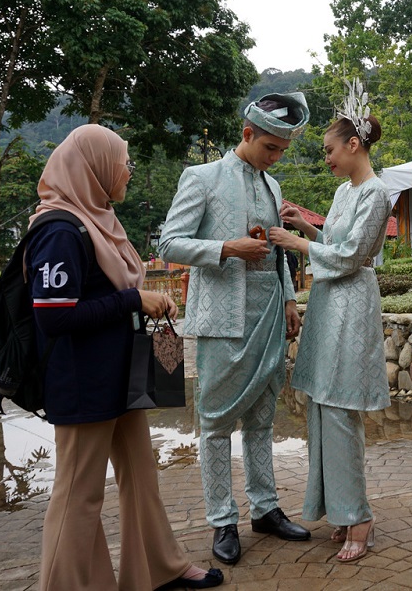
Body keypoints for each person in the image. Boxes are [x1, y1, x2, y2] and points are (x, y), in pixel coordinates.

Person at [31, 125, 222, 590]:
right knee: (79, 495)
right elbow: (55, 317)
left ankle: (157, 569)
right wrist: (134, 301)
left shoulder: (99, 223)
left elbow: (110, 292)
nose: (128, 173)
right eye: (124, 163)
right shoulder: (58, 229)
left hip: (121, 376)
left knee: (141, 478)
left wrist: (139, 300)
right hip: (83, 384)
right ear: (95, 167)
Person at [159, 94, 308, 566]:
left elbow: (279, 251)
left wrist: (288, 299)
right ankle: (222, 518)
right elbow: (170, 243)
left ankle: (265, 508)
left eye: (282, 150)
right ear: (246, 135)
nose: (276, 157)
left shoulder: (273, 187)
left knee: (263, 418)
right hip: (224, 318)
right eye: (270, 147)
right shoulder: (201, 177)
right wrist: (225, 248)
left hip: (267, 315)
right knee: (218, 422)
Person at [269, 79, 392, 563]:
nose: (327, 158)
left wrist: (299, 244)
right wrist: (305, 225)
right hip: (328, 303)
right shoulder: (345, 192)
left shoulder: (378, 192)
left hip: (352, 300)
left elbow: (351, 254)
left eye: (329, 150)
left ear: (353, 144)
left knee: (340, 410)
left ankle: (359, 516)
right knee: (322, 405)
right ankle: (339, 511)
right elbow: (335, 237)